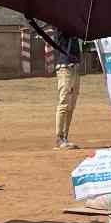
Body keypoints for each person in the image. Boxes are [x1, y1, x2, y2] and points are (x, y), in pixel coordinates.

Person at [30, 19, 84, 149]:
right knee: (64, 103)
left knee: (71, 104)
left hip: (75, 67)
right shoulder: (62, 27)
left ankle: (64, 137)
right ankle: (59, 138)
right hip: (65, 68)